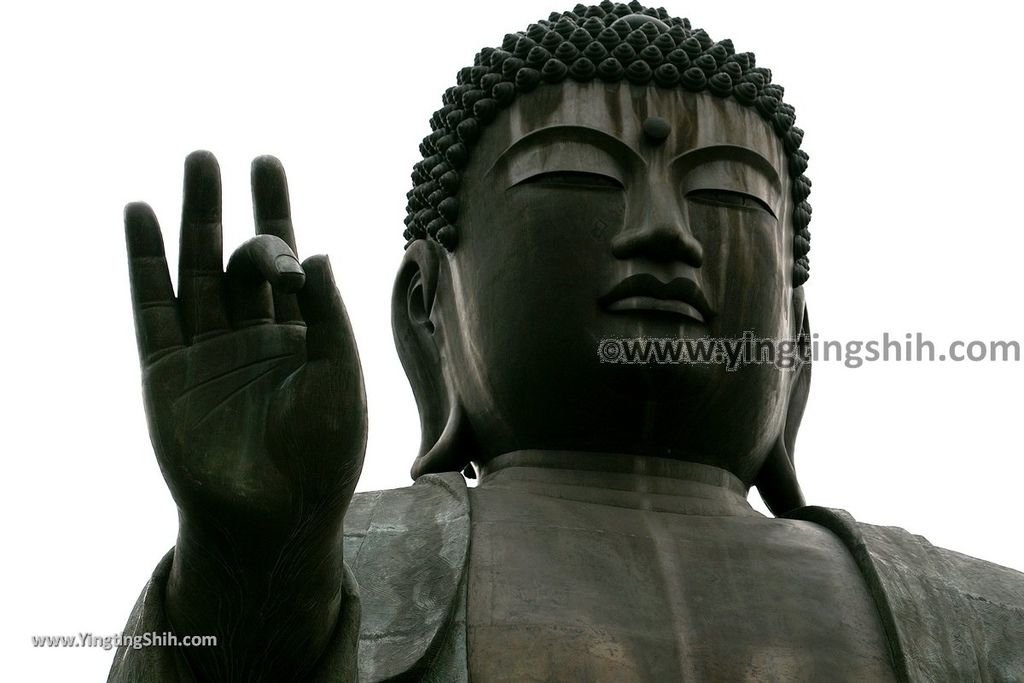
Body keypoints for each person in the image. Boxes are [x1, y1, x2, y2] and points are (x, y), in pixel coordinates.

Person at [109, 3, 1024, 681]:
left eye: (730, 195)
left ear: (799, 341)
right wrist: (254, 561)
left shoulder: (977, 617)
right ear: (429, 309)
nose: (666, 232)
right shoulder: (351, 558)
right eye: (581, 175)